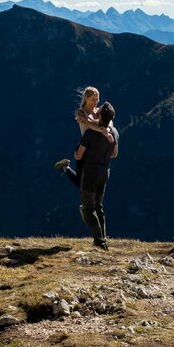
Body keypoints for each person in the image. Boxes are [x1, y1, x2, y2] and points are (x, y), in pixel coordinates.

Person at [74, 101, 118, 250]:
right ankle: (103, 238)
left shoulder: (90, 134)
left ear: (99, 115)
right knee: (99, 206)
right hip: (105, 172)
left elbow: (79, 156)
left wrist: (75, 153)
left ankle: (99, 241)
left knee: (88, 208)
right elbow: (115, 154)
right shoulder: (114, 132)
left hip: (90, 174)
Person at [55, 86, 114, 186]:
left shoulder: (98, 111)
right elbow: (89, 124)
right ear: (86, 98)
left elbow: (110, 120)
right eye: (93, 100)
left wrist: (107, 130)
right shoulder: (81, 113)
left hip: (96, 148)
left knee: (97, 178)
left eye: (97, 99)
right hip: (84, 147)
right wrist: (103, 131)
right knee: (79, 182)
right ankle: (65, 167)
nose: (96, 102)